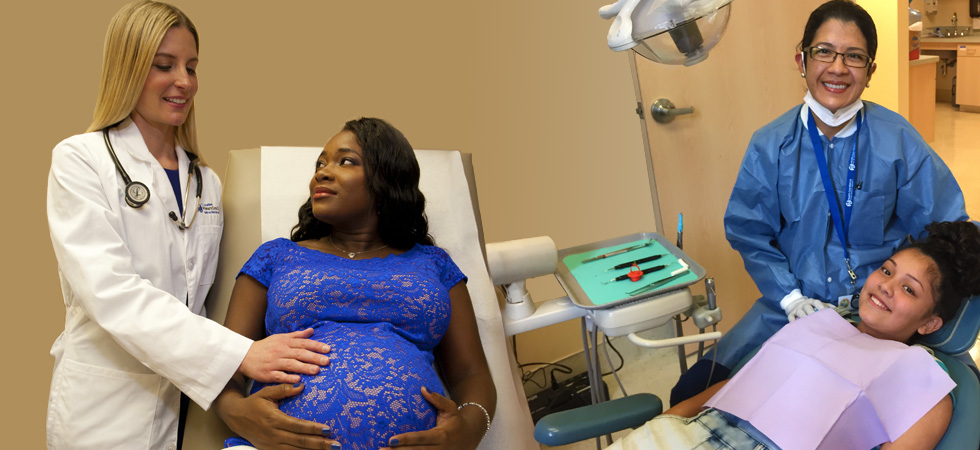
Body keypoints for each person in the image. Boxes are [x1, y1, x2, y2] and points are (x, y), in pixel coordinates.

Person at [45, 2, 331, 449]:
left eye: (192, 67)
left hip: (183, 404)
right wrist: (242, 353)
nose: (184, 81)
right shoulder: (81, 160)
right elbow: (111, 293)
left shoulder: (206, 182)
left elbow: (201, 300)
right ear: (129, 69)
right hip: (102, 408)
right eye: (165, 65)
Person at [671, 0, 970, 406]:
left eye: (854, 56)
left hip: (874, 312)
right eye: (824, 51)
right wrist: (790, 298)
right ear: (802, 59)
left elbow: (949, 228)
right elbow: (748, 230)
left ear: (870, 71)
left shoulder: (898, 142)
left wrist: (906, 308)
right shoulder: (770, 145)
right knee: (693, 390)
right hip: (795, 306)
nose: (838, 67)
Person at [214, 118, 497, 450]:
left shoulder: (433, 264)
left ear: (386, 179)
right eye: (320, 164)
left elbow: (471, 374)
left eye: (345, 161)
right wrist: (237, 412)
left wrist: (469, 430)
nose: (322, 172)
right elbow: (224, 360)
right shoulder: (275, 257)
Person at [610, 221, 980, 450]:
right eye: (886, 271)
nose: (885, 287)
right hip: (679, 435)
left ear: (930, 324)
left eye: (909, 289)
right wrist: (659, 427)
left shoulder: (924, 379)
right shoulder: (817, 322)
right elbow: (730, 389)